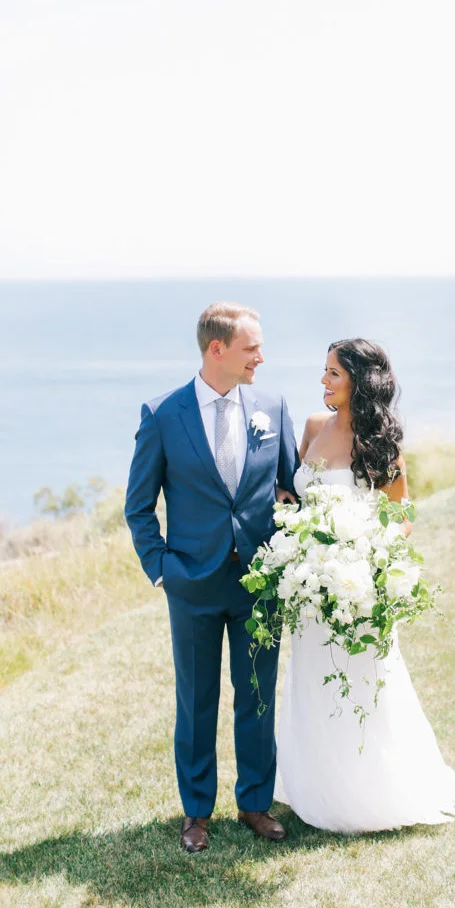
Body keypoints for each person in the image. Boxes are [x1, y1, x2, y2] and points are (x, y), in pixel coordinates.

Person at [273, 338, 455, 832]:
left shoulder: (380, 440)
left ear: (359, 381)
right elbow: (294, 492)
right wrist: (290, 518)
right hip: (312, 585)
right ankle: (313, 784)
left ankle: (370, 790)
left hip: (356, 587)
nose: (323, 381)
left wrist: (365, 553)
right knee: (312, 681)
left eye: (333, 373)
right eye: (324, 371)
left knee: (364, 682)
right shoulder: (313, 427)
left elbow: (401, 515)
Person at [125, 302, 299, 852]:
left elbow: (293, 489)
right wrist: (161, 570)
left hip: (259, 584)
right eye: (252, 348)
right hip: (192, 586)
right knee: (196, 702)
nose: (261, 358)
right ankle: (196, 812)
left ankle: (255, 804)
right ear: (216, 349)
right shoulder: (163, 414)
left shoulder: (272, 407)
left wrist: (289, 549)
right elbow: (138, 507)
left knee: (257, 697)